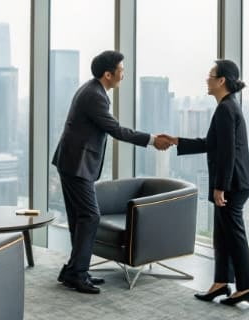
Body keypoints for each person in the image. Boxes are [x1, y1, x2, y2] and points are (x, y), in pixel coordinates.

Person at [52, 50, 171, 294]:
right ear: (108, 74)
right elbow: (116, 130)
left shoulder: (93, 90)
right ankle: (77, 273)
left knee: (80, 217)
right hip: (77, 165)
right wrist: (151, 140)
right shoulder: (95, 96)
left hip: (73, 163)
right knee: (90, 216)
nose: (123, 74)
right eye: (121, 70)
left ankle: (74, 271)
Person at [162, 59, 249, 308]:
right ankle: (221, 283)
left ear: (221, 80)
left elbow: (227, 152)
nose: (207, 78)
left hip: (233, 183)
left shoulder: (226, 109)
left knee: (233, 236)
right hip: (236, 181)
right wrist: (177, 141)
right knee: (223, 235)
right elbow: (210, 143)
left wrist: (220, 187)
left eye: (211, 75)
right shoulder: (227, 106)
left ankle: (246, 287)